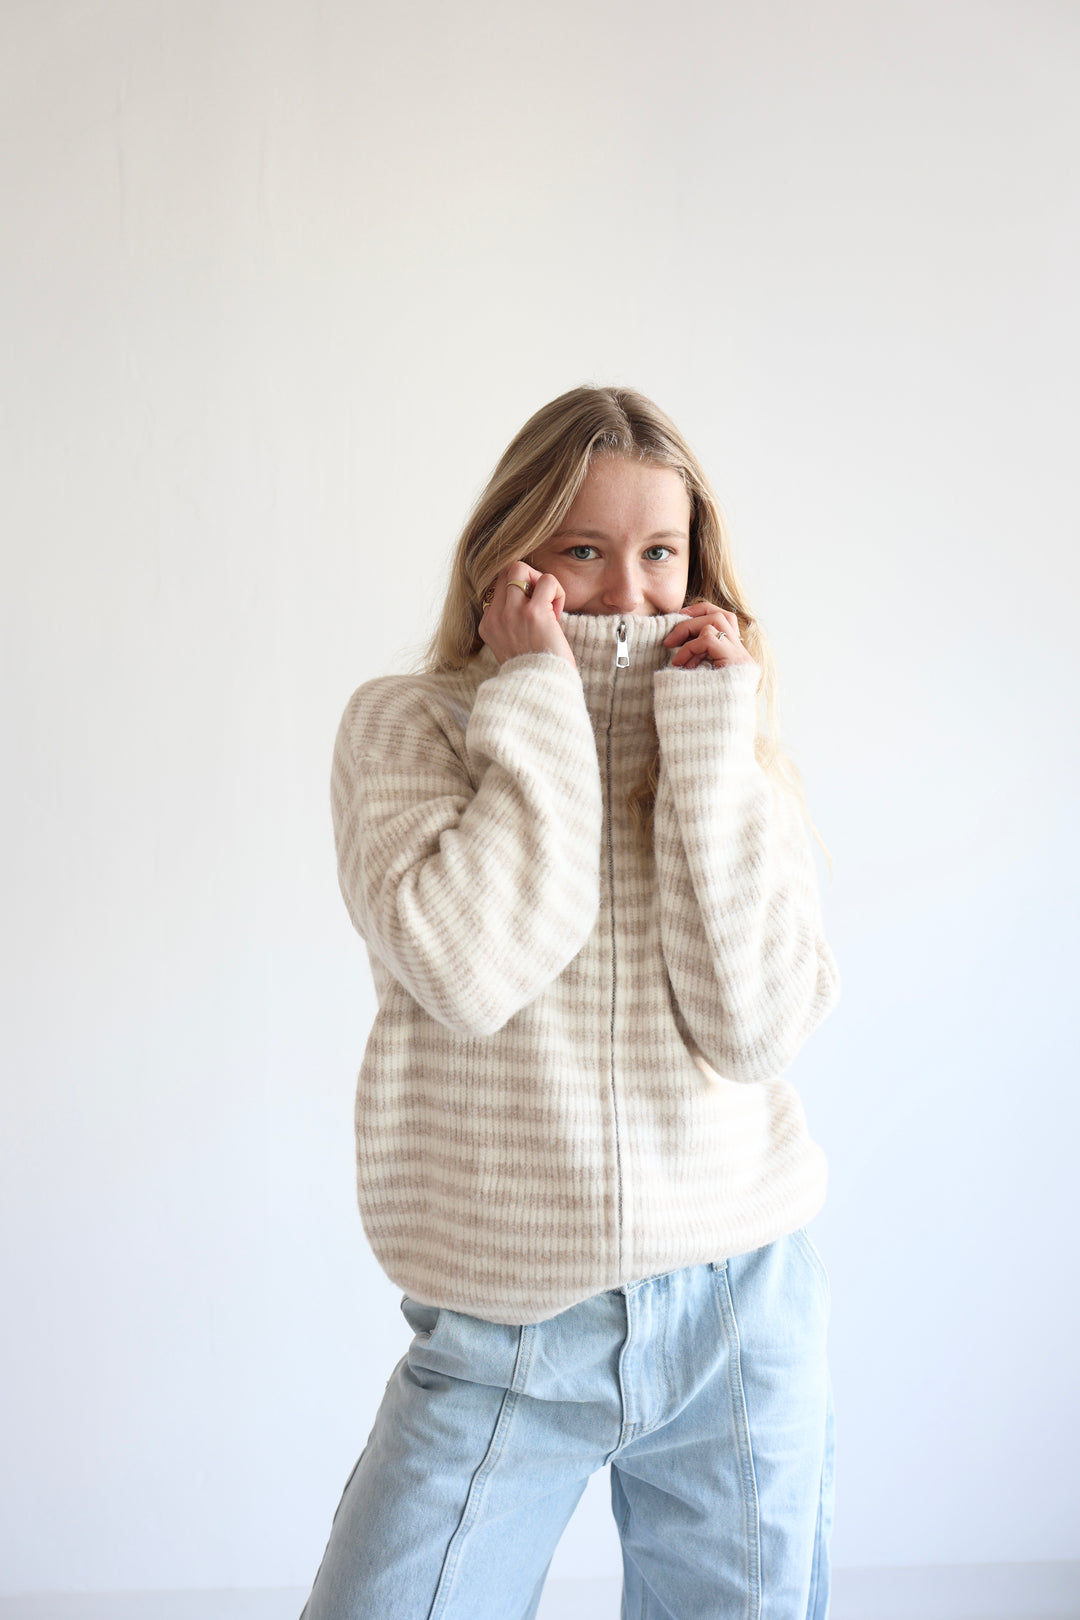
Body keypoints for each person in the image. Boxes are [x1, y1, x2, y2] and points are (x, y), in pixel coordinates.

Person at [301, 385, 842, 1620]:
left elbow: (753, 1027)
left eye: (660, 554)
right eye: (583, 551)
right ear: (512, 558)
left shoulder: (739, 752)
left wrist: (708, 748)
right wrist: (540, 701)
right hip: (502, 1332)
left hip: (737, 1317)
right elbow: (467, 967)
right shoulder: (409, 731)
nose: (628, 593)